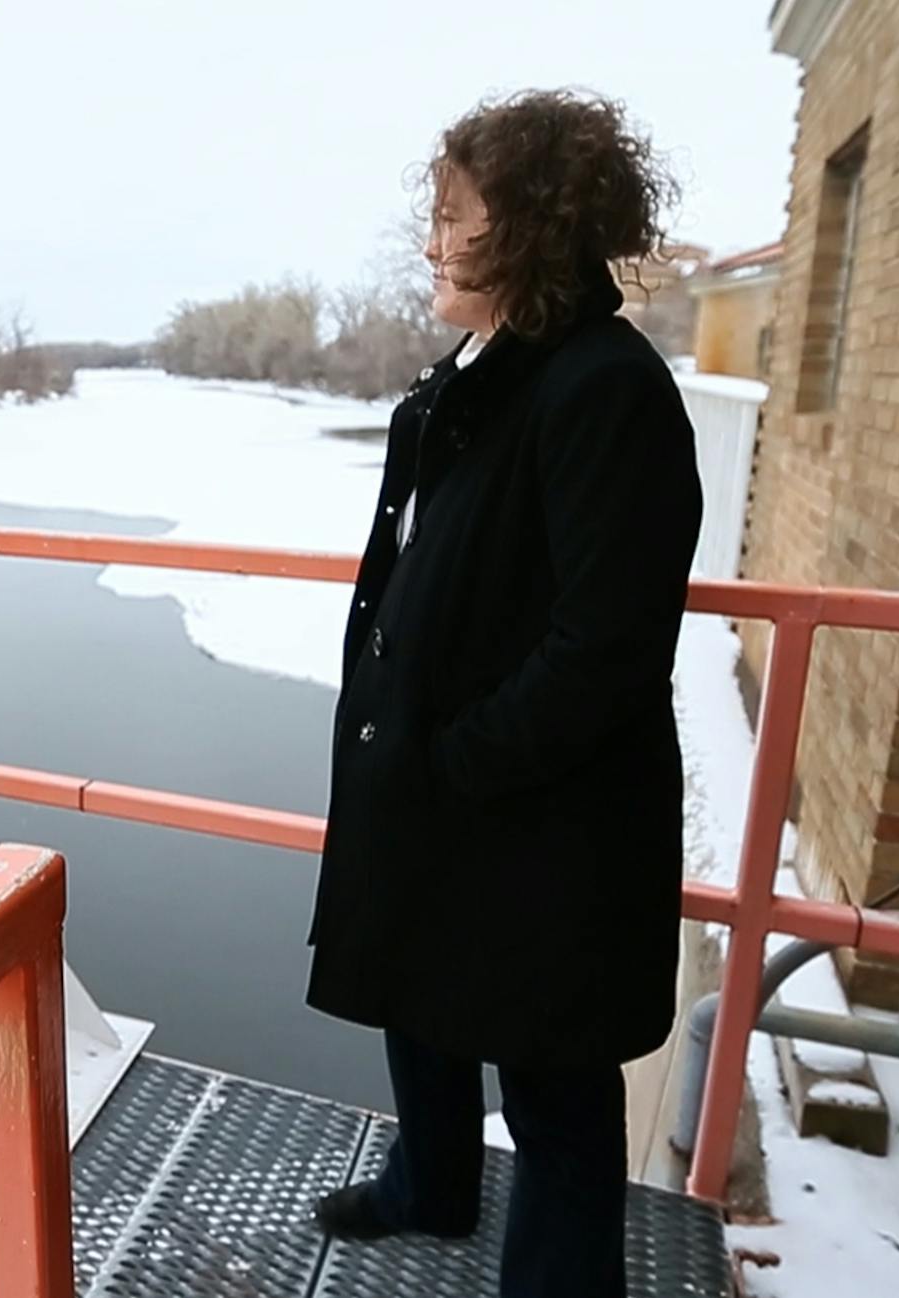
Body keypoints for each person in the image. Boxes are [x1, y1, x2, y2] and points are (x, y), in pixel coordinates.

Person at [306, 89, 702, 1298]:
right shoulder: (479, 373)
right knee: (418, 994)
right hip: (441, 775)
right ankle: (431, 1183)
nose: (430, 241)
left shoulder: (604, 389)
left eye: (454, 217)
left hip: (541, 809)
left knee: (552, 1077)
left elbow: (608, 646)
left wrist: (457, 758)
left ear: (528, 227)